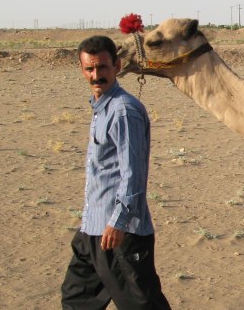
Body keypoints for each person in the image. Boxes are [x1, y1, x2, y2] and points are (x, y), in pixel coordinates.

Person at [61, 35, 172, 310]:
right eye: (89, 69)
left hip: (119, 234)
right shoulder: (102, 109)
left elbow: (133, 173)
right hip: (92, 229)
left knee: (142, 305)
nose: (96, 75)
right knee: (77, 300)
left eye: (102, 68)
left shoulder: (123, 111)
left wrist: (118, 222)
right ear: (82, 69)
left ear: (117, 66)